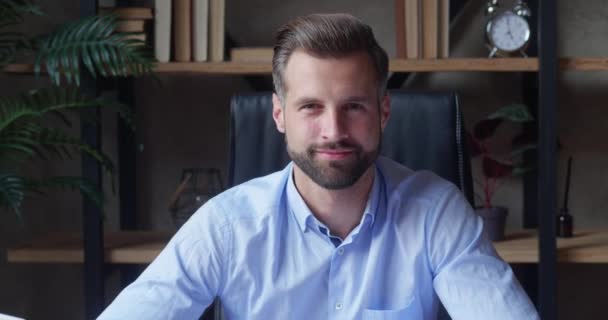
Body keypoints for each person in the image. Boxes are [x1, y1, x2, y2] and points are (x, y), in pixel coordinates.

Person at [98, 13, 539, 320]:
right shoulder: (226, 225)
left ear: (384, 111)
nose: (334, 130)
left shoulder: (436, 212)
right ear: (279, 115)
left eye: (354, 106)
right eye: (310, 106)